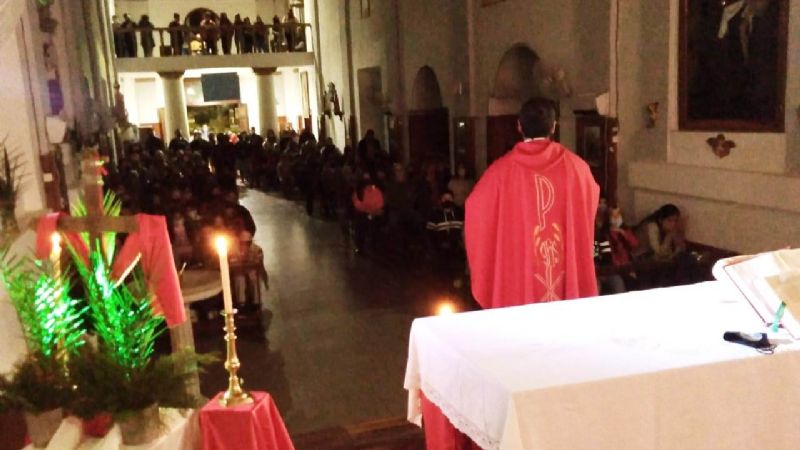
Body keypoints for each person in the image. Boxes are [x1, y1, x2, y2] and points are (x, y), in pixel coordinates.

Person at [465, 97, 599, 309]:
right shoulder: (577, 169)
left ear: (519, 125)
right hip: (565, 278)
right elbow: (589, 204)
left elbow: (475, 210)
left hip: (518, 280)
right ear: (554, 127)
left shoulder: (499, 173)